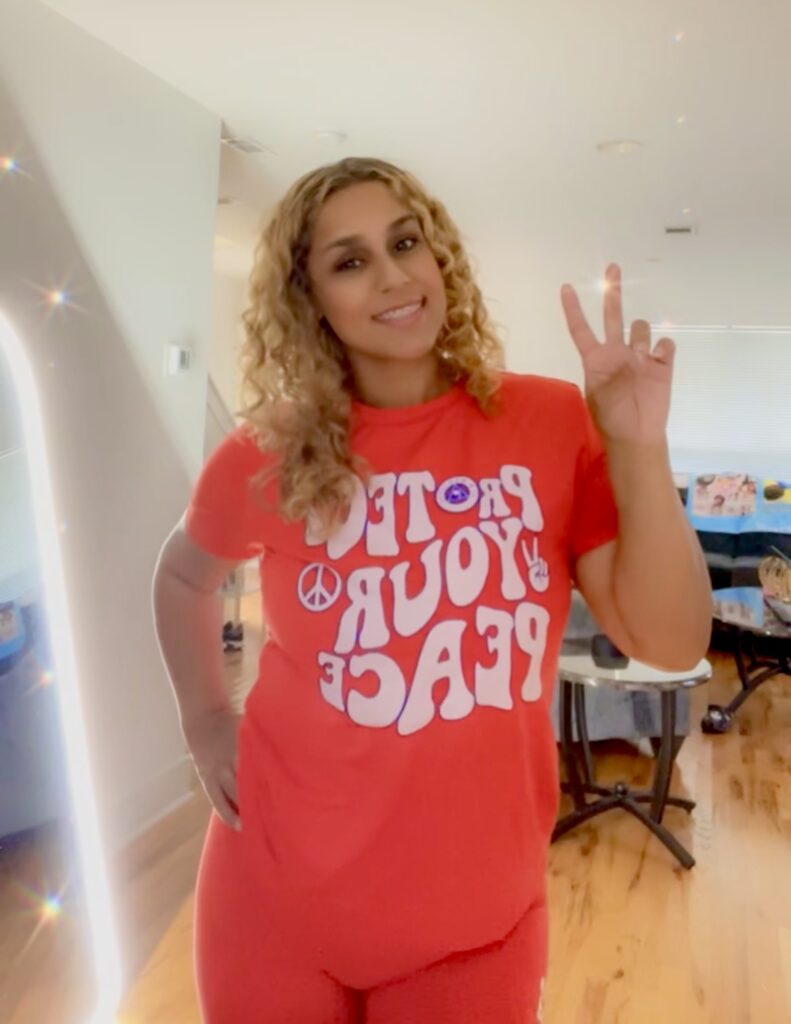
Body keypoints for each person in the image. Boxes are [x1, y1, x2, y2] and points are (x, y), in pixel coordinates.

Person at [152, 157, 712, 1023]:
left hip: (473, 919)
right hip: (271, 898)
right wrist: (203, 719)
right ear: (311, 303)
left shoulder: (550, 421)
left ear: (438, 255)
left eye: (404, 241)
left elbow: (672, 642)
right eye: (349, 260)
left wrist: (639, 446)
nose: (392, 275)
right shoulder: (268, 454)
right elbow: (184, 574)